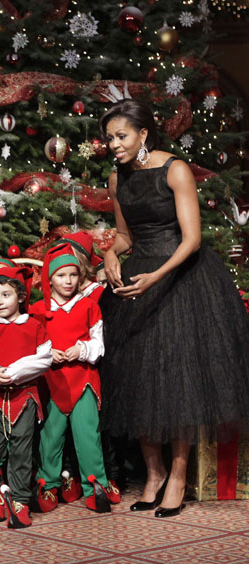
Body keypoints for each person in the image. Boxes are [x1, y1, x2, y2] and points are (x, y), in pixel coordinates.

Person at [99, 98, 249, 518]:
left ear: (143, 134)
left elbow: (192, 240)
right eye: (109, 138)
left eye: (121, 136)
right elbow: (126, 236)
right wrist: (112, 254)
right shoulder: (117, 179)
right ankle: (154, 473)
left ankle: (178, 478)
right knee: (139, 376)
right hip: (137, 279)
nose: (113, 144)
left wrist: (155, 276)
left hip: (180, 277)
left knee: (176, 377)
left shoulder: (175, 169)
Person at [32, 244, 118, 514]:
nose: (67, 281)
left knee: (87, 436)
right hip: (51, 382)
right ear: (50, 278)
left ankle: (96, 486)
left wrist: (81, 349)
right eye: (60, 276)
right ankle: (48, 484)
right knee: (51, 436)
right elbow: (31, 346)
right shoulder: (38, 309)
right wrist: (48, 354)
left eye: (72, 275)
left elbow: (98, 344)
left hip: (84, 381)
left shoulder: (89, 306)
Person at [0, 265, 52, 529]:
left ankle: (20, 500)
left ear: (20, 296)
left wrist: (13, 372)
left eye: (6, 295)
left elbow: (44, 359)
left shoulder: (34, 326)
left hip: (24, 397)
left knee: (21, 450)